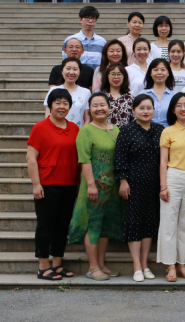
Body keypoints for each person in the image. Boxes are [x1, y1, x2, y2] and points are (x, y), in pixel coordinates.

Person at [69, 93, 123, 281]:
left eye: (103, 105)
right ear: (89, 109)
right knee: (93, 224)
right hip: (94, 186)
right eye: (95, 105)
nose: (99, 108)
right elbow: (84, 160)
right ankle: (92, 268)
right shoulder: (86, 131)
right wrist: (91, 185)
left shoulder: (115, 129)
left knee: (105, 225)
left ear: (109, 107)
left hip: (112, 187)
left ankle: (101, 264)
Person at [27, 88, 79, 280]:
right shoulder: (40, 127)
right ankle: (43, 266)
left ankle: (57, 264)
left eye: (65, 103)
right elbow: (31, 158)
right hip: (47, 184)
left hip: (68, 184)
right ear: (50, 105)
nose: (61, 106)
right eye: (57, 102)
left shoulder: (74, 129)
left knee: (62, 226)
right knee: (45, 225)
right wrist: (36, 184)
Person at [114, 94, 165, 282]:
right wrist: (123, 181)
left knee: (149, 225)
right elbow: (120, 157)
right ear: (133, 110)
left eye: (149, 108)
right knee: (134, 223)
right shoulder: (127, 131)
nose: (145, 111)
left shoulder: (160, 130)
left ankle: (145, 265)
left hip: (153, 185)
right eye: (141, 108)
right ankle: (136, 266)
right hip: (133, 185)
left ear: (153, 110)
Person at [157, 92, 185, 282]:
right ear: (173, 110)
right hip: (172, 176)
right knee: (169, 222)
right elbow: (163, 161)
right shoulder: (167, 131)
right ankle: (170, 265)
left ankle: (182, 263)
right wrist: (163, 186)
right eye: (179, 105)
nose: (183, 108)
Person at [44, 57, 91, 128]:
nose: (71, 72)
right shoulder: (53, 90)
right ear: (62, 71)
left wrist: (82, 133)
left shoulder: (86, 92)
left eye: (75, 69)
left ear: (79, 72)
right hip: (56, 131)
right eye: (68, 69)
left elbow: (87, 119)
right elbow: (48, 114)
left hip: (78, 132)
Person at [62, 5, 106, 71]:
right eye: (87, 18)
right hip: (76, 74)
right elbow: (65, 60)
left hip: (96, 75)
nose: (90, 21)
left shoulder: (102, 42)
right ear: (80, 20)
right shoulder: (70, 40)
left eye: (93, 18)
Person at [139, 58, 175, 128]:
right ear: (150, 73)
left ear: (168, 73)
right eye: (155, 70)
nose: (159, 73)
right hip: (147, 131)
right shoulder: (142, 94)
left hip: (169, 132)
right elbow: (137, 117)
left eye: (163, 70)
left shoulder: (174, 95)